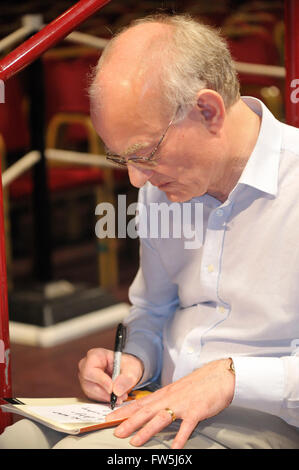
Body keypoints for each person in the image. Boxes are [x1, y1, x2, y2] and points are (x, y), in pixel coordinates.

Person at [1, 13, 299, 449]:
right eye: (124, 160)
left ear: (208, 110)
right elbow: (152, 310)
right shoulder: (164, 188)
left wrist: (232, 377)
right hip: (159, 403)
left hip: (263, 417)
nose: (138, 181)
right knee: (17, 441)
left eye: (145, 153)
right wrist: (134, 361)